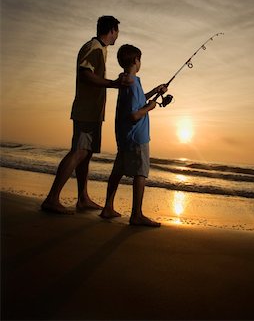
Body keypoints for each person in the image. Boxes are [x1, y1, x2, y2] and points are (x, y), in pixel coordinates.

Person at [41, 16, 132, 214]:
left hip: (92, 110)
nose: (118, 36)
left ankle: (83, 198)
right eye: (117, 31)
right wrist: (113, 83)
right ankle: (52, 198)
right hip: (86, 109)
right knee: (79, 151)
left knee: (86, 153)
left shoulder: (100, 49)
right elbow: (85, 74)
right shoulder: (94, 47)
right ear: (112, 30)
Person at [100, 44, 167, 227]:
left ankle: (108, 207)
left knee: (118, 171)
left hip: (124, 136)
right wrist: (150, 108)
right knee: (140, 173)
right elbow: (134, 114)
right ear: (136, 61)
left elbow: (138, 100)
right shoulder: (130, 81)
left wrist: (155, 92)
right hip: (137, 136)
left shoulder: (131, 82)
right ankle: (136, 214)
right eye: (140, 59)